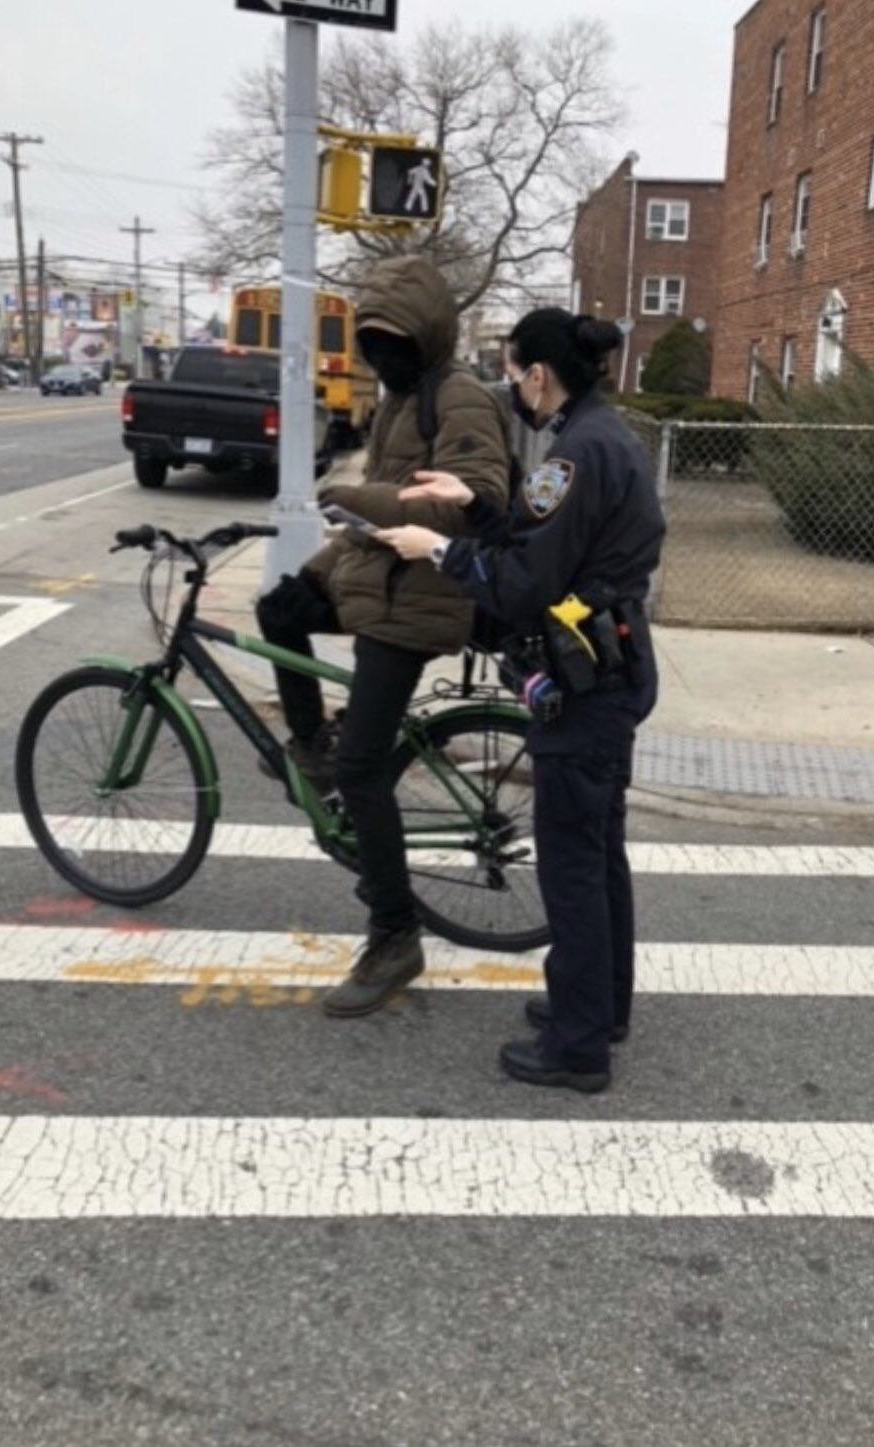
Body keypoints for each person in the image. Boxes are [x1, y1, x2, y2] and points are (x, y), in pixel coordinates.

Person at [378, 308, 665, 1093]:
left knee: (573, 866)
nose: (510, 386)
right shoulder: (603, 438)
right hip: (612, 669)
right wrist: (469, 503)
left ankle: (578, 1047)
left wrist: (434, 547)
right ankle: (599, 1008)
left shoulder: (574, 453)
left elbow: (522, 579)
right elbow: (536, 536)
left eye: (511, 372)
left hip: (584, 685)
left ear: (539, 375)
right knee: (600, 855)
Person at [255, 255, 512, 1018]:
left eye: (394, 339)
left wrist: (350, 495)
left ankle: (396, 935)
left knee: (367, 769)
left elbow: (477, 504)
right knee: (279, 609)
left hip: (424, 599)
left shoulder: (457, 396)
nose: (381, 352)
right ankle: (311, 746)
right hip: (384, 580)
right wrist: (318, 568)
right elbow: (375, 523)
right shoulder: (403, 398)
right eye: (372, 339)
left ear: (428, 336)